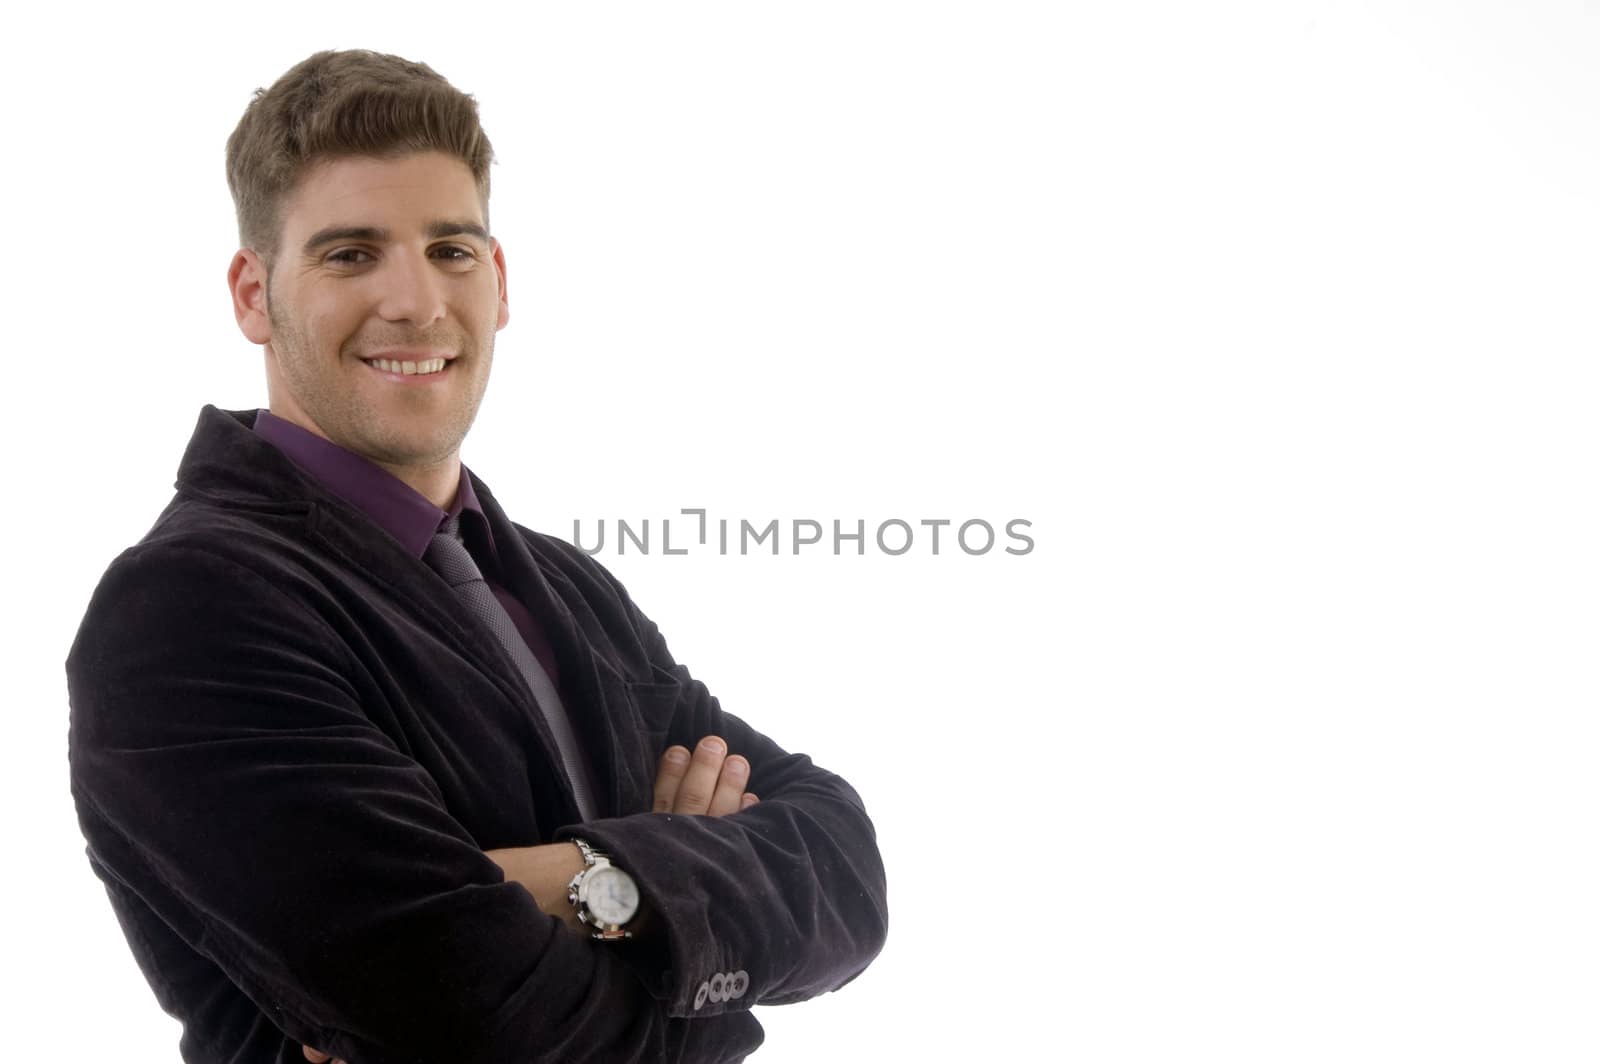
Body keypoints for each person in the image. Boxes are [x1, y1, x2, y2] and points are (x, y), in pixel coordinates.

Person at [65, 49, 887, 1064]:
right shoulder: (188, 609)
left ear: (497, 283)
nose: (416, 302)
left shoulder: (567, 589)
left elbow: (846, 870)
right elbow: (464, 1018)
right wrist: (699, 964)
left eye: (450, 249)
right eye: (351, 254)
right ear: (251, 292)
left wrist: (567, 879)